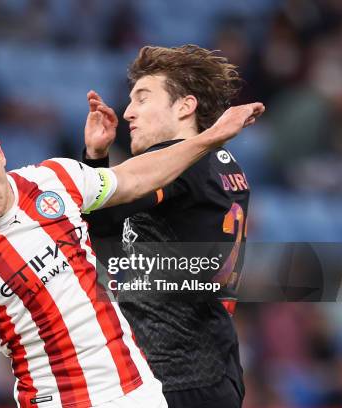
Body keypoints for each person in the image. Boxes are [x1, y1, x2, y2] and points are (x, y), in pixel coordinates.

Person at [0, 101, 263, 408]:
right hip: (56, 399)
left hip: (137, 388)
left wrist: (210, 138)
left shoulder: (55, 180)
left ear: (0, 152)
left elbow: (137, 177)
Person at [82, 44, 251, 408]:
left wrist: (93, 166)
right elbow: (110, 242)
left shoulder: (178, 164)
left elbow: (101, 208)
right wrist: (98, 158)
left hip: (178, 374)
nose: (128, 112)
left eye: (142, 99)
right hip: (210, 365)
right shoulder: (220, 165)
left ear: (184, 106)